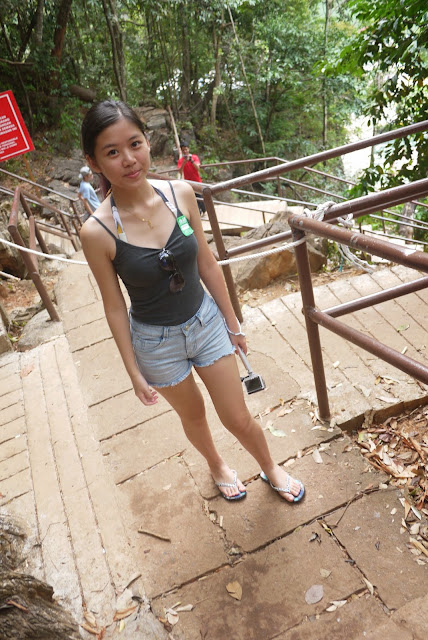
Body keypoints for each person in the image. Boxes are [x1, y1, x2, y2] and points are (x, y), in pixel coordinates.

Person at [80, 99, 304, 503]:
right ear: (94, 162)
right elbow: (113, 306)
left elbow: (207, 262)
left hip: (205, 323)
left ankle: (270, 467)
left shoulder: (180, 193)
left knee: (237, 416)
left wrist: (233, 322)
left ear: (148, 142)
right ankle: (216, 465)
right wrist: (133, 371)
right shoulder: (95, 232)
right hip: (155, 343)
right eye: (112, 152)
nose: (129, 159)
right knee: (194, 416)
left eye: (135, 144)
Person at [177, 142, 206, 215]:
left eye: (186, 149)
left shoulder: (194, 157)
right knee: (193, 199)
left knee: (200, 197)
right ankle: (198, 213)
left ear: (188, 149)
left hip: (197, 181)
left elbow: (197, 168)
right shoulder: (181, 160)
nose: (185, 151)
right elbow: (180, 172)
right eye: (183, 150)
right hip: (188, 183)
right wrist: (184, 162)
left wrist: (191, 161)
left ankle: (204, 210)